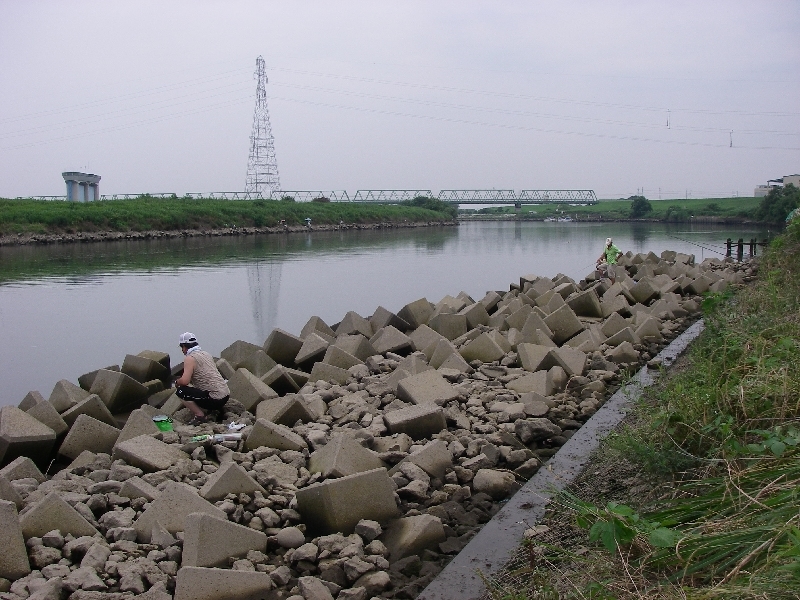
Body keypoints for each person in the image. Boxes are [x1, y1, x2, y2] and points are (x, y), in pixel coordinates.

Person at [174, 332, 230, 425]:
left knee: (181, 391)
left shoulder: (190, 358)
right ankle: (214, 411)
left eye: (181, 347)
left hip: (215, 399)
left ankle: (200, 416)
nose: (182, 350)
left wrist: (176, 382)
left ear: (184, 346)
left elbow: (185, 381)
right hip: (225, 395)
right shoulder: (206, 354)